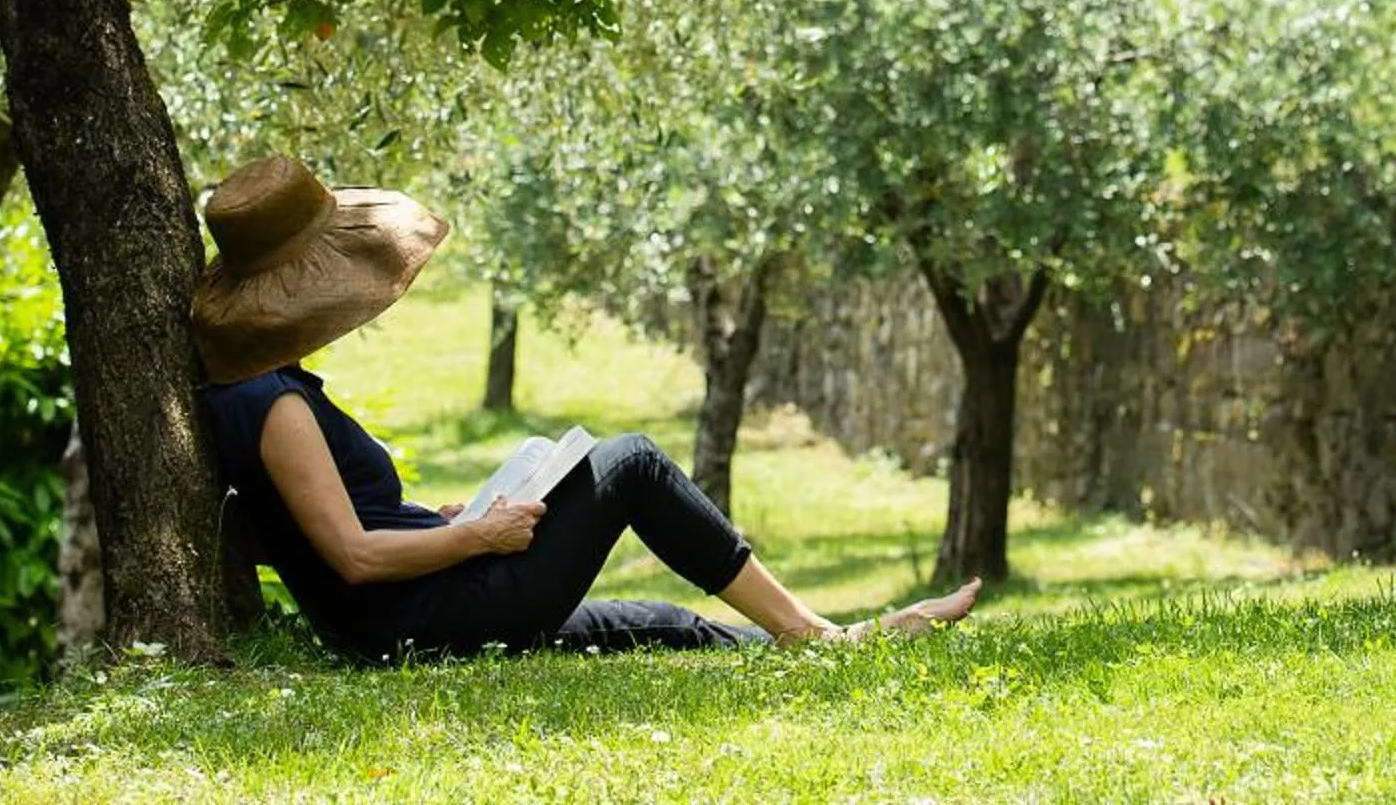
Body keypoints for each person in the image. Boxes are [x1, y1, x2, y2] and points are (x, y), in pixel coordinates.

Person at [190, 155, 980, 659]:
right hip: (418, 621)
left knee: (658, 625)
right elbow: (354, 556)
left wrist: (437, 521)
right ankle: (820, 637)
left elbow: (301, 533)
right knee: (629, 461)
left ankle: (821, 642)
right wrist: (475, 537)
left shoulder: (249, 392)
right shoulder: (273, 401)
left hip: (418, 607)